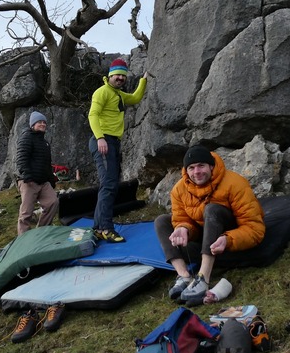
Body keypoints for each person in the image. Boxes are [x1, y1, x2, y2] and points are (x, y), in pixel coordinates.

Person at [154, 144, 265, 305]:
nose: (196, 172)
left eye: (201, 166)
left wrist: (228, 239)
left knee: (211, 209)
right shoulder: (179, 190)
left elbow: (255, 229)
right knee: (161, 221)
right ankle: (184, 276)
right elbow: (181, 218)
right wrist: (183, 228)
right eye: (191, 168)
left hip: (228, 240)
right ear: (186, 171)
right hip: (204, 240)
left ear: (211, 166)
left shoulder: (235, 183)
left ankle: (203, 278)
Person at [88, 58, 148, 242]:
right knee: (109, 185)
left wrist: (144, 80)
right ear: (110, 76)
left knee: (109, 185)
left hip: (112, 142)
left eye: (123, 75)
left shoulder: (119, 95)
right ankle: (106, 228)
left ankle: (98, 228)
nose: (120, 78)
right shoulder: (102, 92)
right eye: (117, 75)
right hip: (103, 140)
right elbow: (93, 115)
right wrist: (100, 138)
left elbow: (135, 98)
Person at [15, 111, 59, 235]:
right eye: (39, 122)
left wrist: (51, 180)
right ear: (32, 124)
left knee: (53, 202)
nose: (43, 124)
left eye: (44, 122)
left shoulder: (45, 143)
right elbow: (21, 158)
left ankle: (41, 233)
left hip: (43, 181)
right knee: (26, 213)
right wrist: (27, 175)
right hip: (28, 181)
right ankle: (23, 239)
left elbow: (47, 164)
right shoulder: (26, 137)